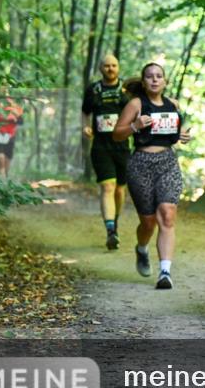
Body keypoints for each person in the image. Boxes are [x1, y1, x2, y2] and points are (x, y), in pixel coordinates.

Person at [113, 62, 191, 289]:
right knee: (148, 222)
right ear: (144, 81)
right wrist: (135, 126)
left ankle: (165, 272)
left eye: (159, 76)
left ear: (165, 81)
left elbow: (174, 134)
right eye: (150, 76)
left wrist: (182, 137)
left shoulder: (173, 105)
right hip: (141, 164)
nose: (155, 80)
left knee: (166, 214)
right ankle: (141, 248)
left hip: (167, 162)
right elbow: (117, 135)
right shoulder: (136, 104)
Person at [82, 54, 132, 250]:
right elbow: (85, 111)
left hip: (122, 146)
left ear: (118, 67)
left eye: (114, 65)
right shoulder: (93, 90)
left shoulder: (126, 90)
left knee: (120, 189)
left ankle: (115, 222)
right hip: (100, 146)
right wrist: (85, 127)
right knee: (107, 188)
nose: (110, 69)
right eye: (106, 66)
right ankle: (110, 230)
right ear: (100, 68)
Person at [0, 95, 24, 179]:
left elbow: (21, 122)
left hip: (10, 136)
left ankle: (5, 178)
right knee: (0, 157)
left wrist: (15, 115)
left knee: (7, 159)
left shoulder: (15, 107)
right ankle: (1, 175)